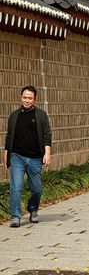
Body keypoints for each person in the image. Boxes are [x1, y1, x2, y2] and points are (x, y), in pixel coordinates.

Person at [3, 85, 52, 228]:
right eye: (25, 97)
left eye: (30, 98)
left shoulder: (41, 115)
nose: (27, 100)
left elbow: (47, 135)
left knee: (37, 189)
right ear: (21, 98)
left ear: (35, 99)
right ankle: (16, 216)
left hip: (35, 158)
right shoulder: (14, 116)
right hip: (17, 156)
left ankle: (33, 209)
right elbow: (9, 137)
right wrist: (6, 155)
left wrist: (47, 153)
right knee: (16, 186)